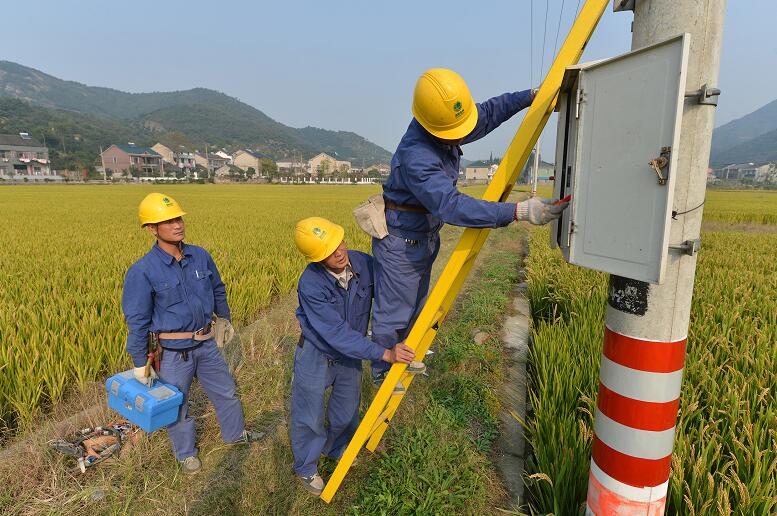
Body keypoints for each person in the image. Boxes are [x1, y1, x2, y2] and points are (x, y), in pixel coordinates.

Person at [371, 68, 567, 381]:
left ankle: (407, 356)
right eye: (456, 133)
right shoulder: (416, 155)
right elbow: (451, 205)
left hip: (423, 236)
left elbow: (487, 113)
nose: (463, 136)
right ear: (433, 126)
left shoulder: (442, 121)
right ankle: (383, 375)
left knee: (415, 306)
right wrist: (517, 212)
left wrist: (531, 96)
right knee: (393, 313)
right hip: (401, 243)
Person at [122, 193, 263, 475]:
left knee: (226, 391)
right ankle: (186, 453)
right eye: (168, 221)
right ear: (152, 229)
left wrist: (224, 320)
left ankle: (236, 435)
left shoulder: (200, 256)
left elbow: (218, 288)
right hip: (173, 355)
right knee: (178, 405)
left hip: (206, 344)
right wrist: (140, 363)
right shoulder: (142, 271)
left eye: (178, 218)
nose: (177, 225)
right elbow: (137, 320)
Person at [291, 217, 416, 495]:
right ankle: (306, 467)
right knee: (308, 416)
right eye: (328, 251)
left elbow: (390, 288)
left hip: (351, 354)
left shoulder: (361, 263)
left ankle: (336, 448)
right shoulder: (311, 283)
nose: (338, 253)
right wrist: (384, 353)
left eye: (339, 243)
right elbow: (335, 333)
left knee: (347, 410)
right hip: (317, 354)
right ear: (316, 258)